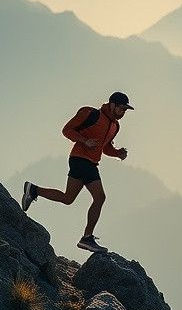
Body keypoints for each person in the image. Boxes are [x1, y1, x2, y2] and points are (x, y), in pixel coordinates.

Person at [21, 92, 132, 253]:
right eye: (121, 109)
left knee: (68, 198)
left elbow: (105, 147)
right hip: (80, 159)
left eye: (125, 110)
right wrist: (84, 141)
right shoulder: (91, 114)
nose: (123, 113)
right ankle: (87, 238)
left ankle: (33, 190)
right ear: (113, 104)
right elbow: (67, 130)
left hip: (90, 163)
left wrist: (117, 153)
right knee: (100, 197)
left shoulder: (115, 126)